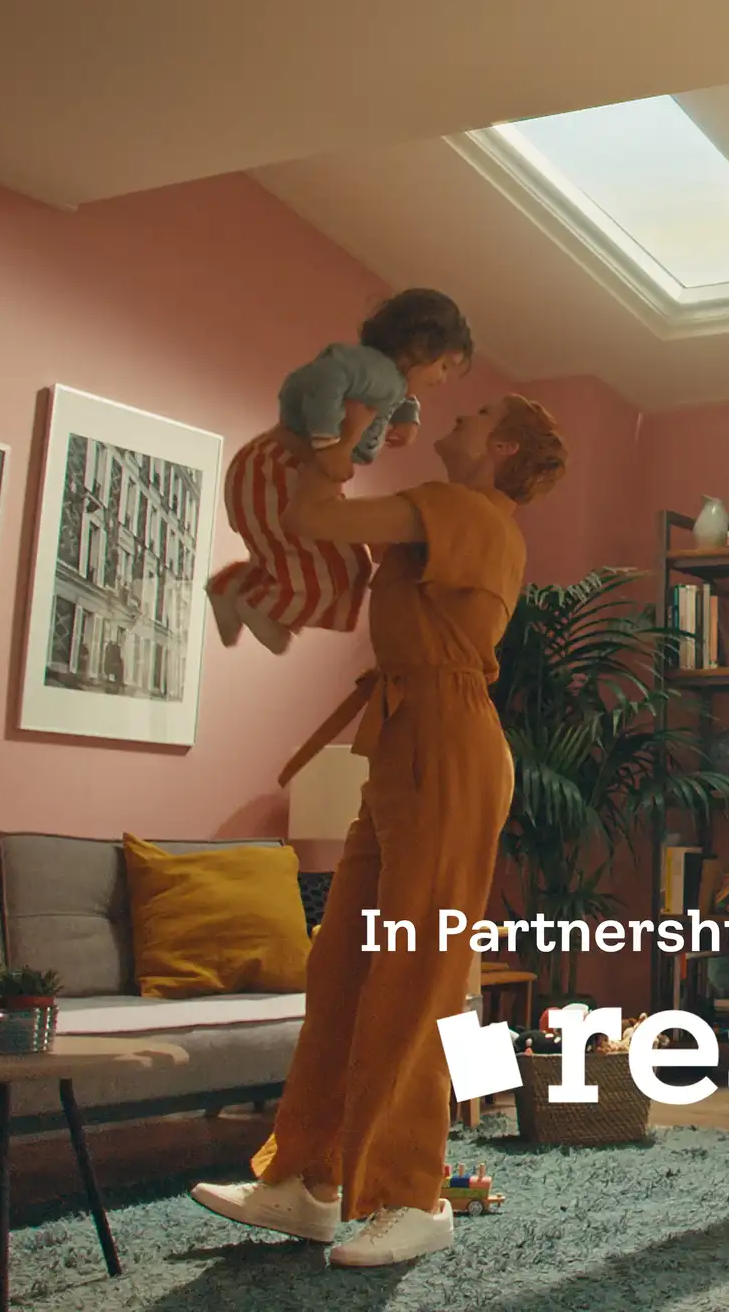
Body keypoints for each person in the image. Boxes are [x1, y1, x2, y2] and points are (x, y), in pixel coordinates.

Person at [189, 393, 566, 1268]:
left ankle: (412, 1194)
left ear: (503, 445)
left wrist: (346, 419)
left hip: (448, 743)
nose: (455, 417)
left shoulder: (462, 509)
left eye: (476, 416)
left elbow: (316, 515)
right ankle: (307, 1179)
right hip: (403, 739)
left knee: (412, 975)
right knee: (343, 964)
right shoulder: (446, 517)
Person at [205, 288, 473, 655]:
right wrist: (328, 442)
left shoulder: (384, 377)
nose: (442, 379)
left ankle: (234, 589)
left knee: (319, 560)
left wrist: (408, 418)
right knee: (336, 563)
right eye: (443, 366)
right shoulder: (373, 371)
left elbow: (397, 395)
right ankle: (260, 606)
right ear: (419, 347)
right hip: (278, 468)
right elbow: (328, 374)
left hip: (276, 467)